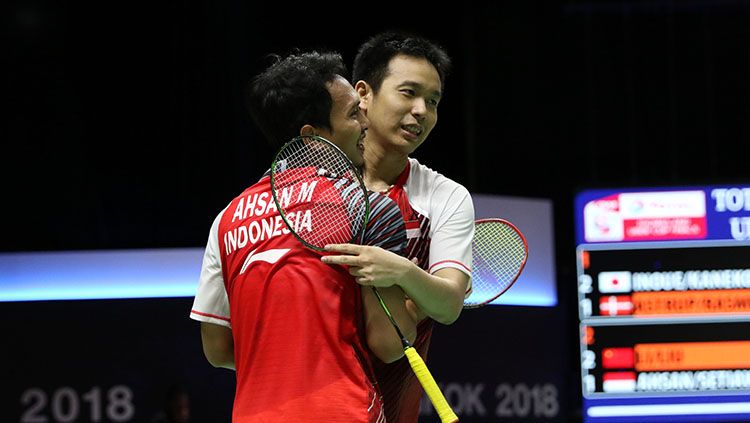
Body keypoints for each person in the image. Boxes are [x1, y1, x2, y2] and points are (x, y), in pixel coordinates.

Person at [189, 50, 415, 422]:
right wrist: (421, 300)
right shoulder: (367, 207)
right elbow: (389, 343)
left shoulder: (226, 219)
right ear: (311, 137)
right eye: (353, 114)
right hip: (342, 411)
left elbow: (217, 349)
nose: (366, 124)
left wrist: (283, 357)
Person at [321, 31, 475, 422]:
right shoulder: (313, 194)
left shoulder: (446, 197)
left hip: (391, 408)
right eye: (408, 93)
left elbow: (448, 304)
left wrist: (401, 270)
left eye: (433, 101)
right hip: (317, 400)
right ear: (364, 95)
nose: (422, 110)